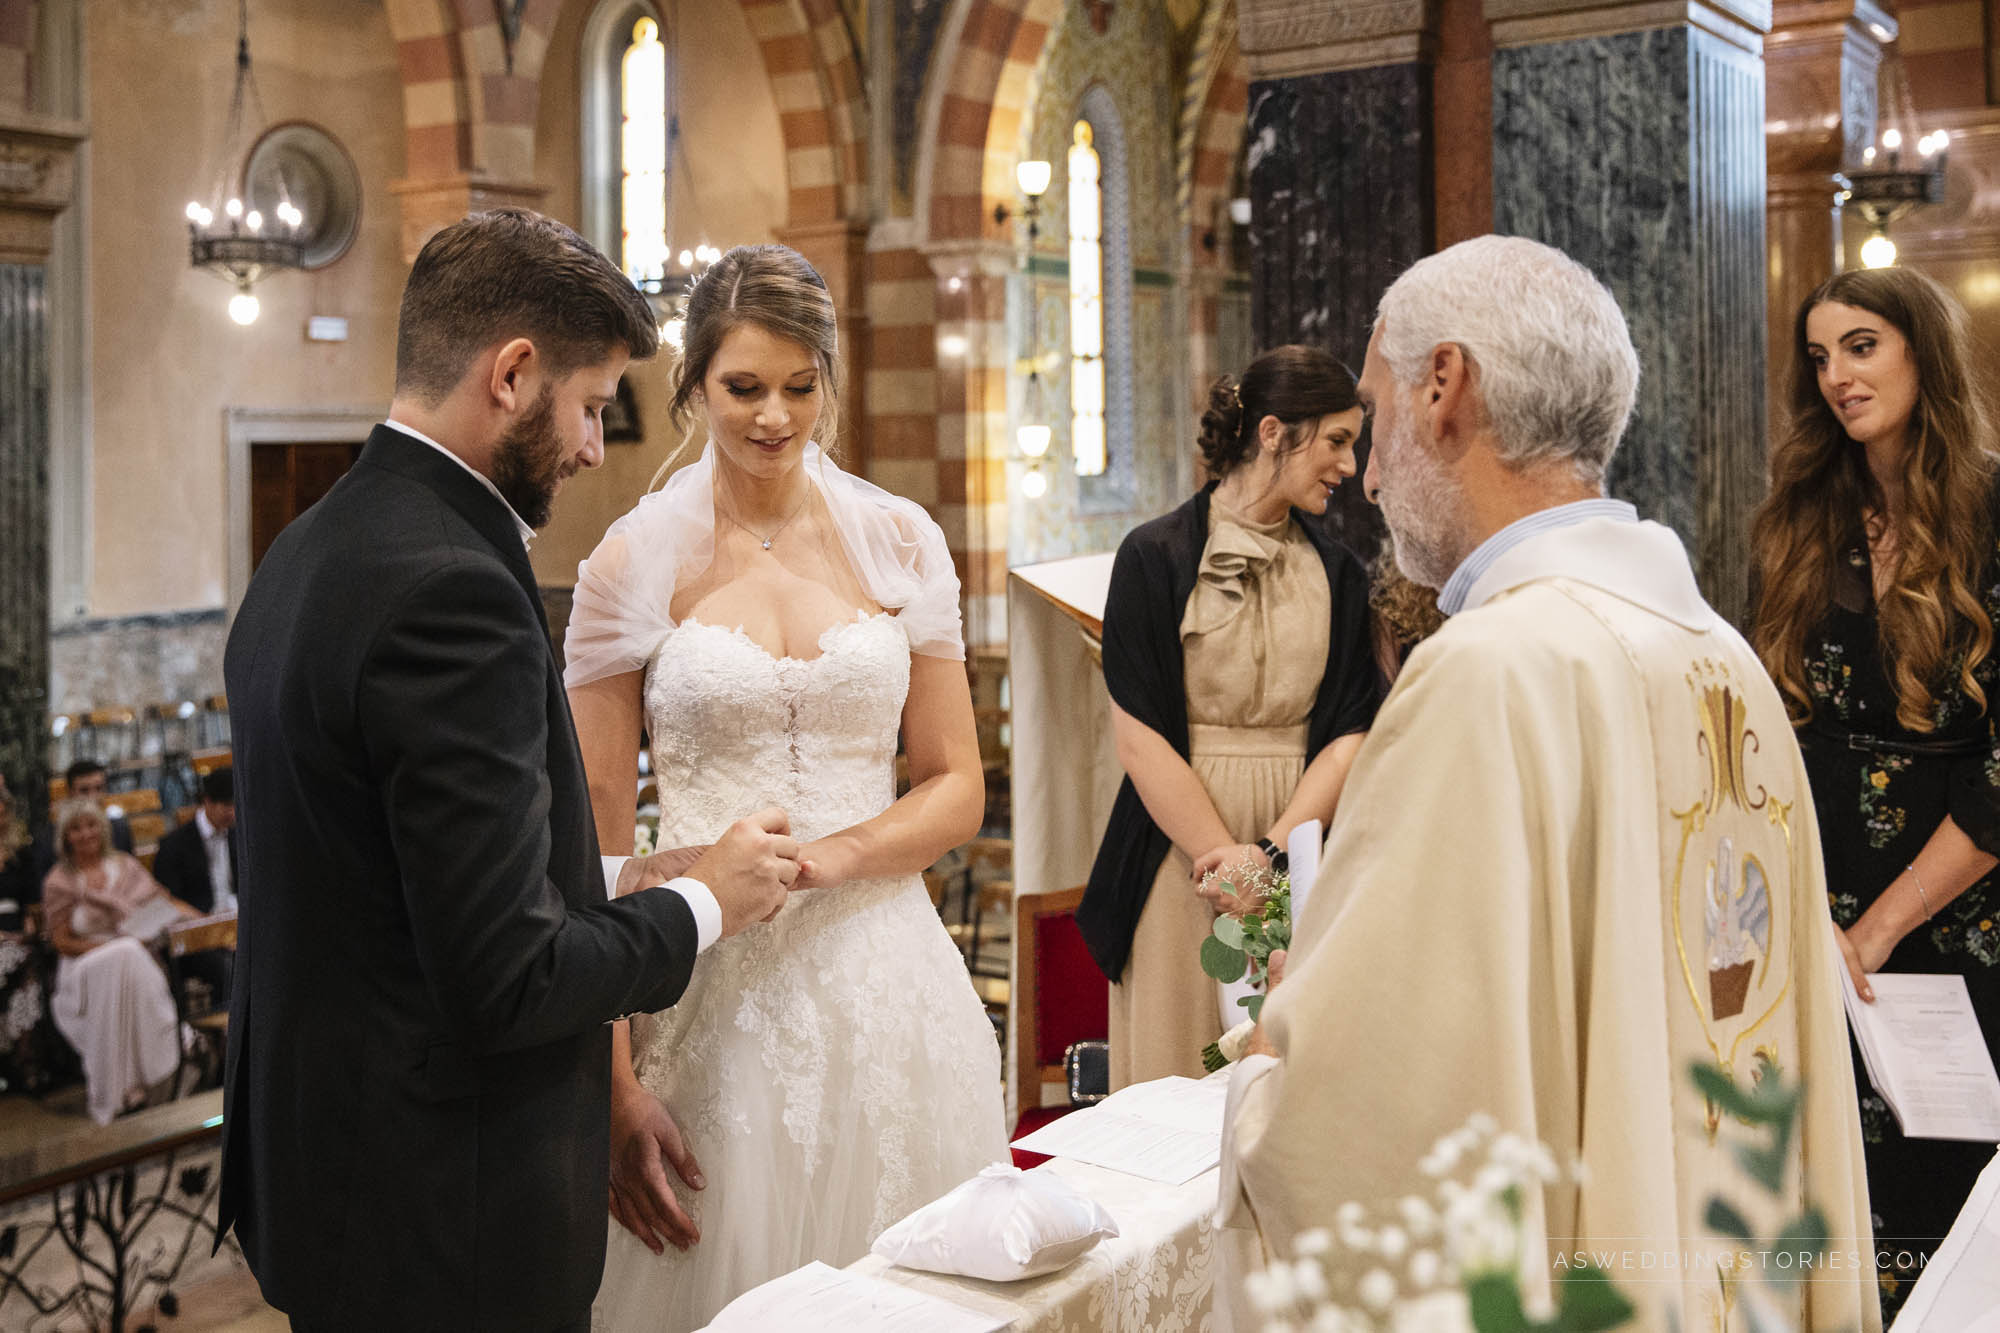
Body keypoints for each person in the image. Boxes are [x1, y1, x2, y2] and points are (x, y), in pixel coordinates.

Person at [1218, 236, 1879, 1330]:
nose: (1370, 476)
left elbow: (1382, 1120)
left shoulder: (1489, 671)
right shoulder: (1719, 656)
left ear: (1444, 387)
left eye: (1377, 419)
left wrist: (1274, 1056)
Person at [218, 209, 801, 1333]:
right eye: (589, 406)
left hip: (329, 1172)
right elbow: (507, 980)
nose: (593, 446)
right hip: (446, 1210)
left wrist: (620, 874)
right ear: (512, 373)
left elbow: (400, 874)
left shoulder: (312, 544)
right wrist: (704, 902)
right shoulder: (456, 591)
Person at [566, 243, 1006, 1329]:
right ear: (693, 385)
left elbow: (955, 784)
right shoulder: (630, 565)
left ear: (828, 378)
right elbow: (591, 842)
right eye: (743, 387)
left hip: (891, 979)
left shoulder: (901, 543)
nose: (774, 416)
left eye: (800, 386)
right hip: (710, 984)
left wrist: (828, 858)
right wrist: (614, 1084)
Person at [1749, 265, 2000, 1318]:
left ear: (1920, 353)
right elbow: (1765, 719)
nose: (1835, 377)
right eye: (1817, 356)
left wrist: (1884, 925)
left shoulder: (1991, 505)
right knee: (1830, 1195)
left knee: (1952, 1199)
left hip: (1958, 916)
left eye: (1860, 346)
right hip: (1821, 912)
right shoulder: (1806, 515)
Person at [1077, 345, 1378, 1089]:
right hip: (1180, 852)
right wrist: (1222, 856)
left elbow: (1350, 731)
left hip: (1300, 839)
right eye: (1336, 441)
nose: (1348, 465)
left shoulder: (1341, 571)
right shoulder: (1154, 555)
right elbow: (1138, 734)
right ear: (1273, 431)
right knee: (1177, 1072)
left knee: (1291, 1079)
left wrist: (1268, 858)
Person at [41, 798, 194, 1123]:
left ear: (103, 829)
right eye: (77, 829)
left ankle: (143, 1082)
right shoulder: (59, 880)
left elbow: (162, 903)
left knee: (129, 954)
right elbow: (61, 941)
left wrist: (206, 920)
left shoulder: (125, 865)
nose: (85, 834)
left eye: (91, 825)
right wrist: (109, 947)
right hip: (83, 967)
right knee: (125, 953)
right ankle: (176, 1043)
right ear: (66, 837)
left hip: (133, 961)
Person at [150, 766, 238, 1010]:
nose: (231, 812)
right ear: (207, 802)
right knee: (226, 966)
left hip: (234, 924)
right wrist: (211, 926)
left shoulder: (237, 836)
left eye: (234, 805)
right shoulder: (174, 845)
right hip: (196, 934)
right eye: (225, 805)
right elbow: (169, 901)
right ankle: (225, 1034)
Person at [63, 760, 135, 854]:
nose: (93, 797)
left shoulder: (119, 828)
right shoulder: (57, 835)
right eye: (84, 791)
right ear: (70, 793)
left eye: (99, 788)